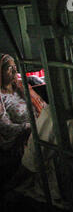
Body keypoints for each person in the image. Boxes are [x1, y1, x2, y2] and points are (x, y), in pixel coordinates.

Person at [0, 53, 46, 186]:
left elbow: (42, 106)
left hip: (39, 126)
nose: (15, 71)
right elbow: (5, 127)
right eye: (9, 68)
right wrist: (29, 127)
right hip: (22, 134)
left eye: (15, 67)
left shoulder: (21, 86)